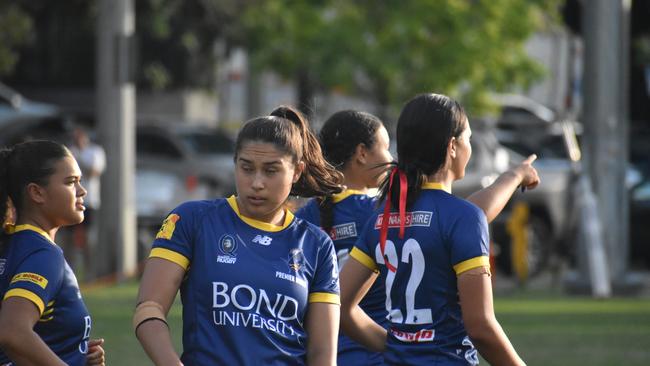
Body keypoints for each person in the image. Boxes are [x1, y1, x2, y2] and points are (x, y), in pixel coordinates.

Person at [297, 109, 539, 365]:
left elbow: (337, 303)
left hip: (329, 352)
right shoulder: (382, 212)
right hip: (379, 356)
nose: (390, 157)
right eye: (385, 147)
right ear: (361, 153)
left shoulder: (309, 218)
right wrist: (513, 177)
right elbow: (462, 216)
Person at [134, 106, 344, 365]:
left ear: (297, 171)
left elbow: (322, 354)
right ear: (235, 164)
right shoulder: (192, 220)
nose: (257, 182)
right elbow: (149, 308)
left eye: (270, 171)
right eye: (247, 168)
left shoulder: (316, 244)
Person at [0, 140, 105, 365]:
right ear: (37, 193)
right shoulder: (43, 255)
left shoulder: (11, 243)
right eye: (71, 182)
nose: (82, 190)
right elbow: (12, 331)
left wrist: (72, 353)